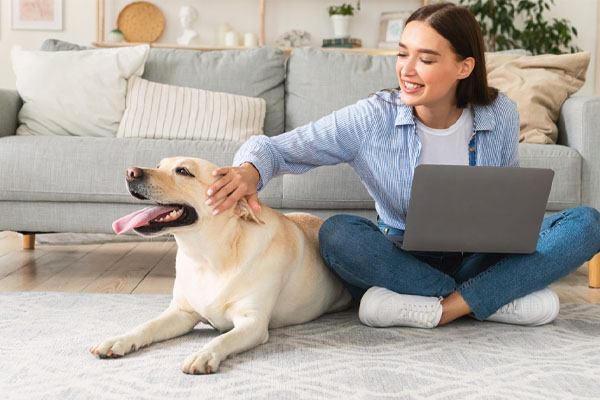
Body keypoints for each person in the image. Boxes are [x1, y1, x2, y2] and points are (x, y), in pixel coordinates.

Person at [203, 3, 600, 329]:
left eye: (425, 59)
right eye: (402, 54)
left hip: (480, 254)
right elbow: (277, 149)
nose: (406, 70)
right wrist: (249, 170)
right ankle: (490, 298)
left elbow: (506, 201)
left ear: (464, 67)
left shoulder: (500, 113)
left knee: (587, 224)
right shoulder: (371, 118)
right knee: (339, 234)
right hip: (402, 259)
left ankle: (442, 308)